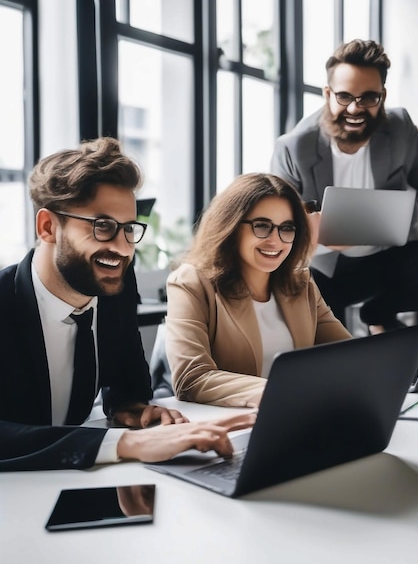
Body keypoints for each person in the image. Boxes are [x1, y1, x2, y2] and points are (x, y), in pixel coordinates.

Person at [0, 138, 254, 471]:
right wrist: (127, 443)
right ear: (48, 226)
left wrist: (133, 409)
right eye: (102, 226)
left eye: (129, 228)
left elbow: (128, 384)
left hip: (74, 484)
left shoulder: (112, 287)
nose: (122, 248)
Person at [271, 39, 418, 333]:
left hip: (384, 259)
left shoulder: (400, 126)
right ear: (327, 93)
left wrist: (395, 216)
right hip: (325, 268)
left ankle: (376, 315)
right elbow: (278, 221)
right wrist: (312, 229)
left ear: (382, 95)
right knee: (326, 330)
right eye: (344, 96)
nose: (355, 108)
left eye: (369, 97)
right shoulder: (293, 148)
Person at [165, 172, 351, 408]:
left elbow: (348, 354)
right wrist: (284, 392)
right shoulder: (190, 282)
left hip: (299, 415)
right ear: (230, 226)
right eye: (261, 226)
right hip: (229, 425)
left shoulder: (301, 282)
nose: (275, 240)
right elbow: (191, 378)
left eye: (287, 228)